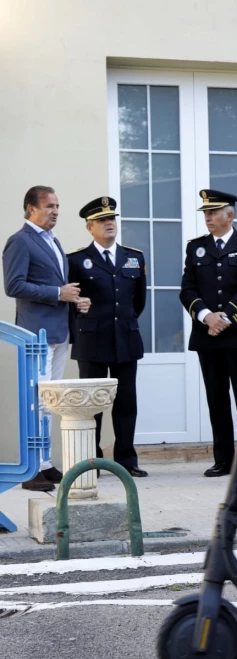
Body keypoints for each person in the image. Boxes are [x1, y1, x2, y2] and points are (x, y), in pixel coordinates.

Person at [179, 189, 237, 479]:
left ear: (229, 215)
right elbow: (187, 290)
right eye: (205, 213)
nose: (208, 217)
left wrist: (227, 317)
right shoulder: (195, 247)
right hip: (208, 335)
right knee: (216, 399)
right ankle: (224, 460)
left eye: (213, 212)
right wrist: (207, 316)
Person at [3, 186, 83, 492]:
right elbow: (14, 285)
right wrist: (56, 293)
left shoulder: (54, 241)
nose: (56, 211)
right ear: (30, 208)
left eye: (58, 206)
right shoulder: (20, 241)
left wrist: (72, 298)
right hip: (35, 334)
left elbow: (56, 283)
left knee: (50, 402)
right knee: (36, 402)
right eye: (49, 206)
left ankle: (46, 464)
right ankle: (32, 468)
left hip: (59, 331)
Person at [68, 196, 148, 477]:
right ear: (90, 227)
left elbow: (138, 302)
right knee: (93, 405)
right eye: (102, 220)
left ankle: (127, 460)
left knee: (126, 402)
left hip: (125, 338)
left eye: (112, 219)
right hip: (91, 341)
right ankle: (93, 462)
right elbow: (72, 302)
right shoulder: (76, 260)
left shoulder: (133, 257)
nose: (109, 224)